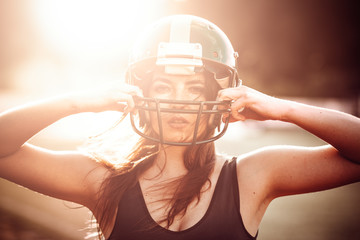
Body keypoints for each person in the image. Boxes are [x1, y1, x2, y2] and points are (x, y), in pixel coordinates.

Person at [0, 14, 359, 240]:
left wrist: (282, 109)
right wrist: (79, 103)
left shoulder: (252, 175)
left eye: (194, 89)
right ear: (140, 94)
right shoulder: (103, 181)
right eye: (163, 87)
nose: (179, 102)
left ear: (219, 100)